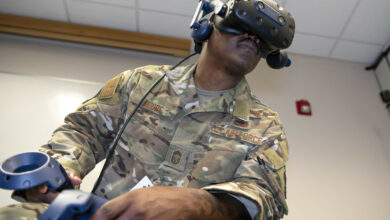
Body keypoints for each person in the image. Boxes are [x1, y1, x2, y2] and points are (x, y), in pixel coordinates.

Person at [0, 14, 289, 220]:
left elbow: (265, 199)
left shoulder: (265, 125)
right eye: (241, 25)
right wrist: (59, 170)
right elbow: (85, 131)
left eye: (262, 37)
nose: (252, 37)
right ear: (206, 24)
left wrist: (198, 203)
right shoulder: (140, 82)